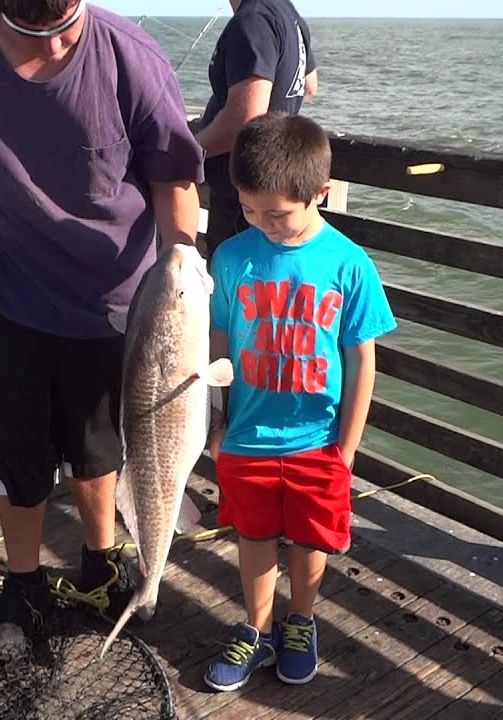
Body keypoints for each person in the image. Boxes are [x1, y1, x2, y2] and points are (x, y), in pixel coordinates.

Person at [0, 0, 204, 662]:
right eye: (38, 33)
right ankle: (25, 581)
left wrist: (184, 269)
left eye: (69, 28)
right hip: (1, 290)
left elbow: (174, 176)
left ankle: (100, 563)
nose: (60, 48)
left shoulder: (134, 62)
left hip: (112, 301)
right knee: (16, 452)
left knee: (99, 447)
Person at [203, 112, 396, 691]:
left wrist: (348, 447)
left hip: (319, 441)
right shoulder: (232, 258)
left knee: (312, 538)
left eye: (277, 213)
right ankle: (257, 626)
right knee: (254, 536)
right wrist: (215, 419)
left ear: (321, 194)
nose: (262, 223)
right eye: (249, 209)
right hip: (246, 436)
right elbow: (216, 343)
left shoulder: (350, 263)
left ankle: (301, 621)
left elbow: (363, 360)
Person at [192, 0, 318, 264]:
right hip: (274, 190)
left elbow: (245, 119)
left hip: (244, 200)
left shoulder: (252, 20)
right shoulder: (286, 11)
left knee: (235, 291)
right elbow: (310, 84)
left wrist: (188, 152)